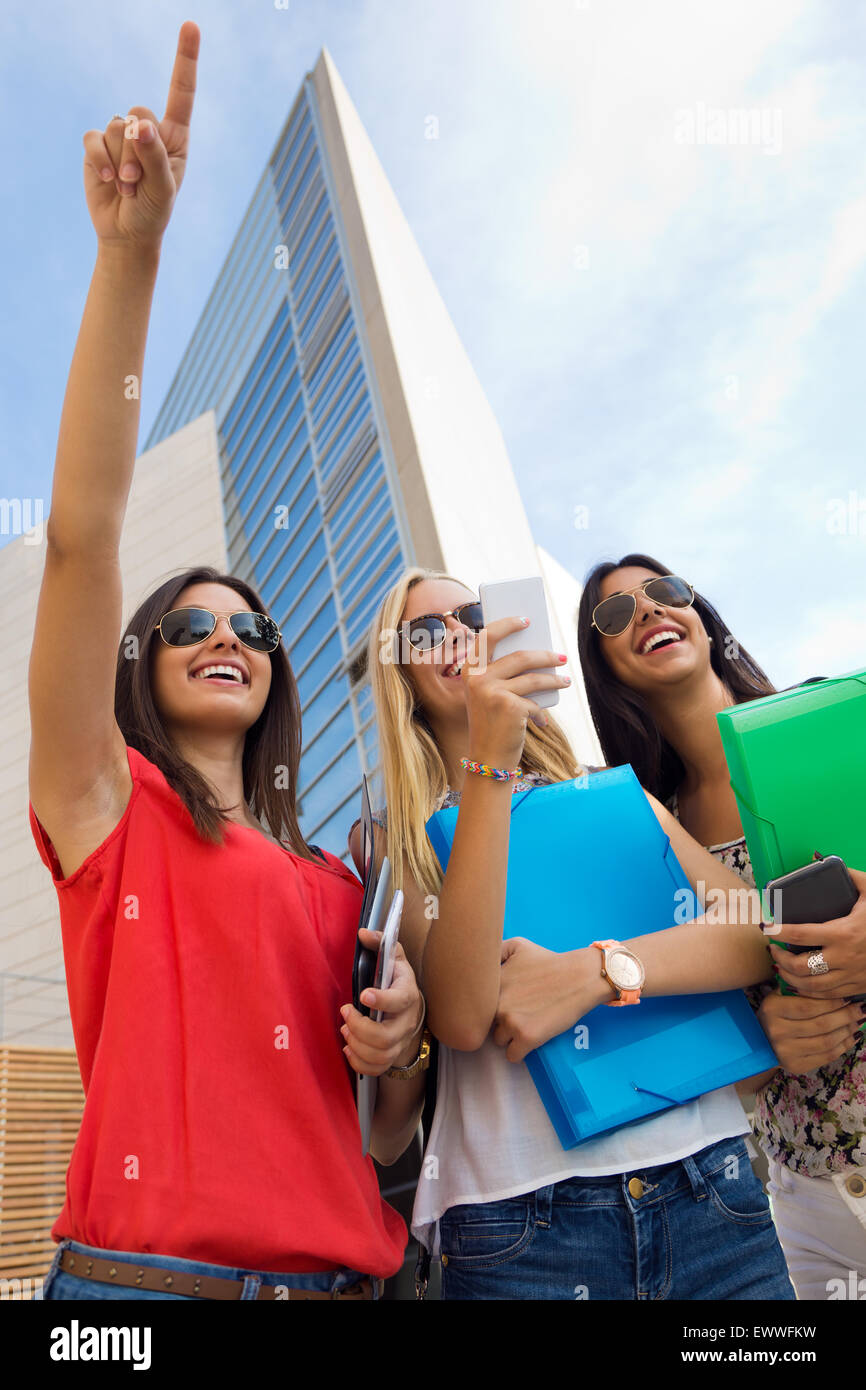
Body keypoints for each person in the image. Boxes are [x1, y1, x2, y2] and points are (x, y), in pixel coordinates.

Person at [30, 21, 424, 1302]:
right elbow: (82, 543)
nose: (222, 637)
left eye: (249, 628)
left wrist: (401, 1045)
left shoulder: (330, 884)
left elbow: (376, 1132)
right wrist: (129, 258)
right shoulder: (110, 811)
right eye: (189, 624)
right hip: (133, 1303)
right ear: (141, 668)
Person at [357, 564, 798, 1300]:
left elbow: (756, 930)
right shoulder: (388, 839)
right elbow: (464, 1016)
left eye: (470, 614)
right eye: (423, 632)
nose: (456, 636)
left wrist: (602, 970)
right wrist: (488, 770)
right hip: (521, 1223)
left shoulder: (605, 787)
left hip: (707, 1181)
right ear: (400, 672)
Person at [576, 552, 866, 1300]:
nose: (648, 611)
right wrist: (760, 1044)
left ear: (702, 616)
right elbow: (698, 1031)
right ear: (603, 668)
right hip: (810, 1191)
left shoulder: (830, 722)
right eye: (615, 614)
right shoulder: (644, 835)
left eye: (664, 592)